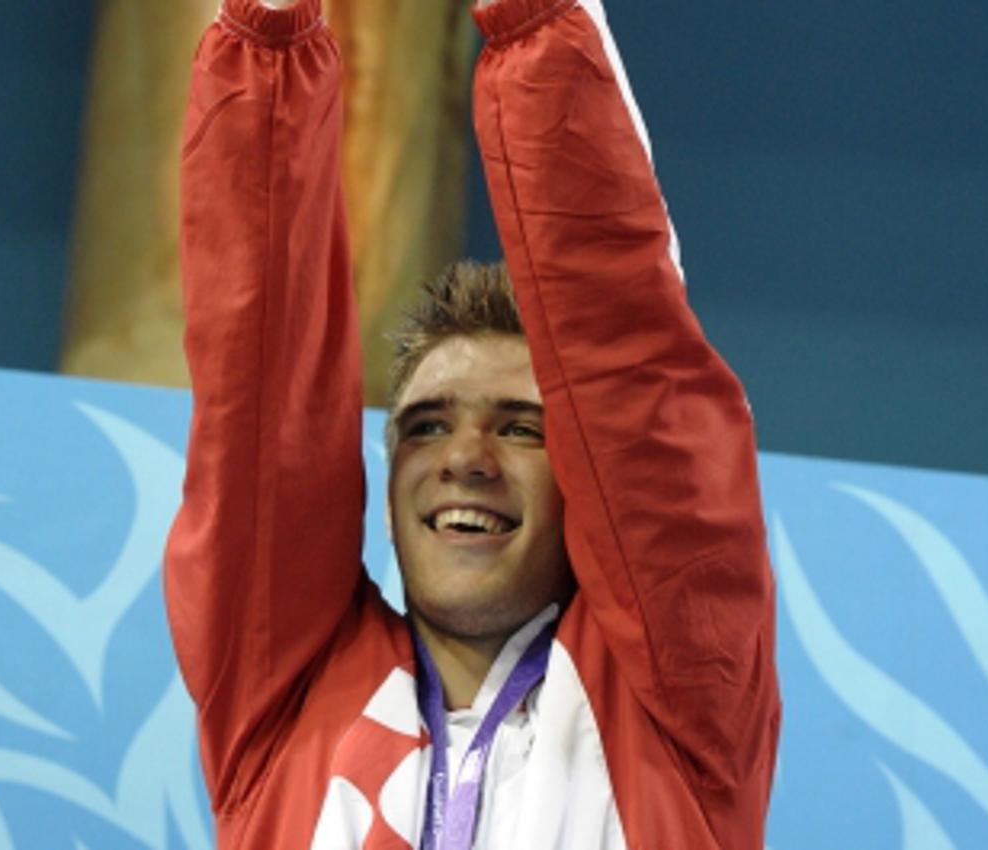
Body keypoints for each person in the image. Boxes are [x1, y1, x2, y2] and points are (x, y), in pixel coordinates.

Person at [164, 0, 781, 847]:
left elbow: (637, 380)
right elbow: (257, 403)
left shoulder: (676, 716)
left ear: (590, 496)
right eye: (425, 426)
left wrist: (541, 30)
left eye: (521, 429)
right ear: (385, 497)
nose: (464, 458)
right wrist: (265, 41)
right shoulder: (284, 707)